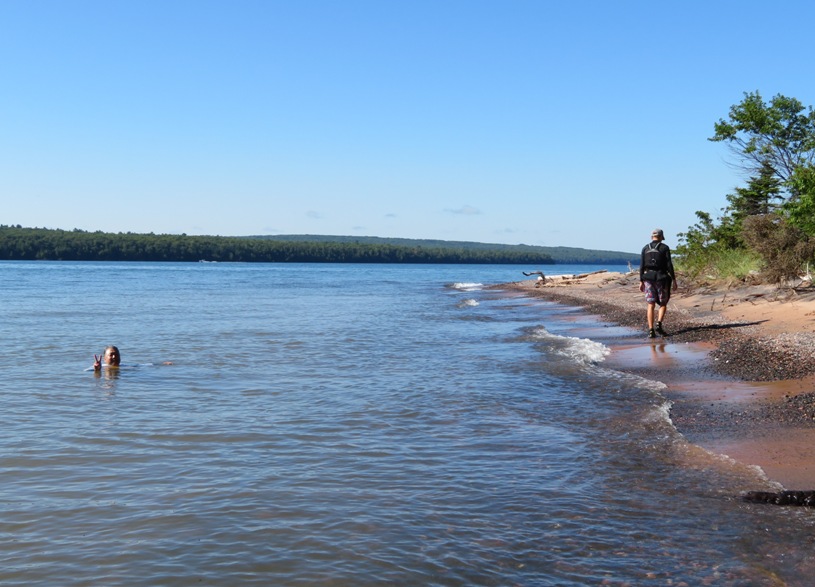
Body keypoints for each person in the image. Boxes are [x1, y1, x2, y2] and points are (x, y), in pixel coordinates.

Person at [639, 228, 677, 338]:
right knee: (663, 303)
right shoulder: (664, 248)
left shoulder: (645, 248)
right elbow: (669, 264)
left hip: (648, 278)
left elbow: (642, 266)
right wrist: (674, 280)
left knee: (650, 304)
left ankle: (651, 330)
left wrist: (641, 281)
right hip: (662, 278)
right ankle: (659, 324)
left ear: (652, 236)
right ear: (661, 237)